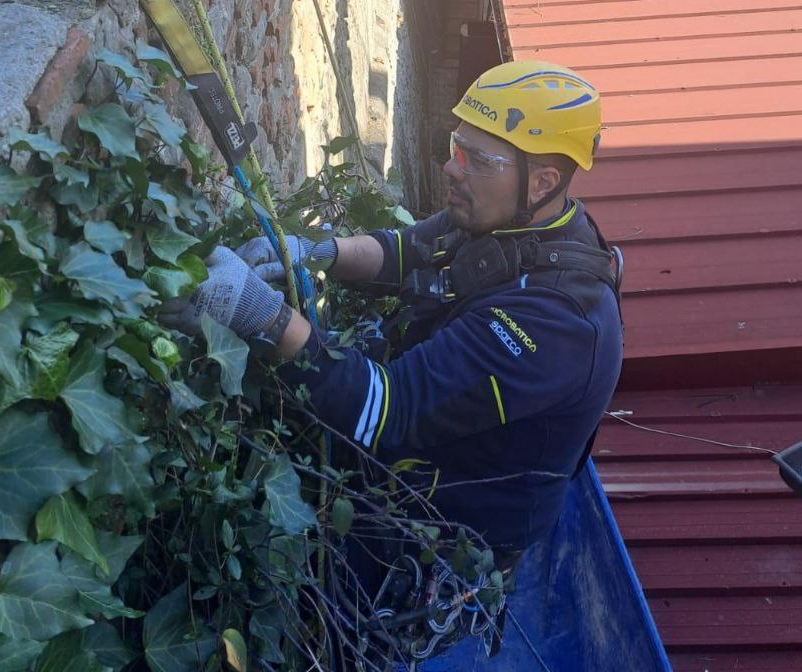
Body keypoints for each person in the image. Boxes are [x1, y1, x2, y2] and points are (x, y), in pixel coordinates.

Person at [163, 61, 624, 660]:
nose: (451, 169)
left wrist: (262, 314)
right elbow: (411, 248)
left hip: (433, 542)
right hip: (397, 481)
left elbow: (383, 410)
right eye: (456, 147)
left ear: (541, 182)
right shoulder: (512, 226)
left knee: (330, 648)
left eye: (478, 161)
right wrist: (318, 251)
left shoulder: (556, 325)